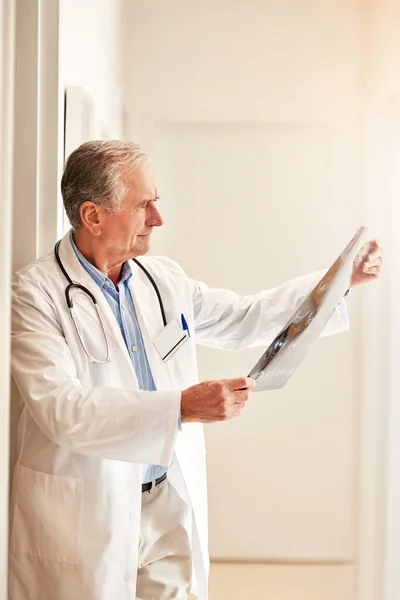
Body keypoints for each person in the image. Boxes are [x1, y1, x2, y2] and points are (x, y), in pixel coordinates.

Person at [9, 140, 383, 600]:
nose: (157, 218)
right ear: (93, 216)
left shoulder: (161, 279)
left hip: (165, 499)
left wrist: (338, 281)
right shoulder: (34, 293)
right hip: (92, 508)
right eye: (144, 205)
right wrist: (180, 407)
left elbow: (245, 316)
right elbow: (61, 410)